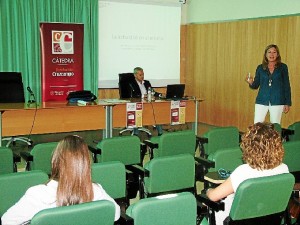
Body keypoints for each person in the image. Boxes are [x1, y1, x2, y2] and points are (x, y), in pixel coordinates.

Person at [2, 135, 120, 225]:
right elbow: (115, 213)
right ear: (86, 164)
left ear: (55, 161)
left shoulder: (38, 194)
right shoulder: (95, 190)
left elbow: (7, 221)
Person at [206, 122, 289, 225]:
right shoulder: (284, 169)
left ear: (248, 147)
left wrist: (208, 190)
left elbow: (214, 196)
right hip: (270, 219)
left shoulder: (243, 172)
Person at [245, 44, 291, 124]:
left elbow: (286, 86)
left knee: (275, 125)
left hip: (278, 101)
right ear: (266, 54)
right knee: (257, 125)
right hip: (261, 100)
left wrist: (287, 103)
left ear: (277, 54)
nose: (271, 54)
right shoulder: (260, 67)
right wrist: (251, 82)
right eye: (269, 52)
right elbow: (255, 85)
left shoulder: (283, 67)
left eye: (274, 52)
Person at [129, 67, 163, 136]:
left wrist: (160, 94)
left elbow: (152, 92)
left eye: (143, 74)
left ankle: (160, 132)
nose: (142, 76)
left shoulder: (147, 82)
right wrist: (142, 96)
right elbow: (131, 95)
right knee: (136, 113)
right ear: (135, 75)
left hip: (148, 104)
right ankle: (136, 134)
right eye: (140, 75)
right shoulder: (131, 84)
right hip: (136, 105)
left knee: (156, 111)